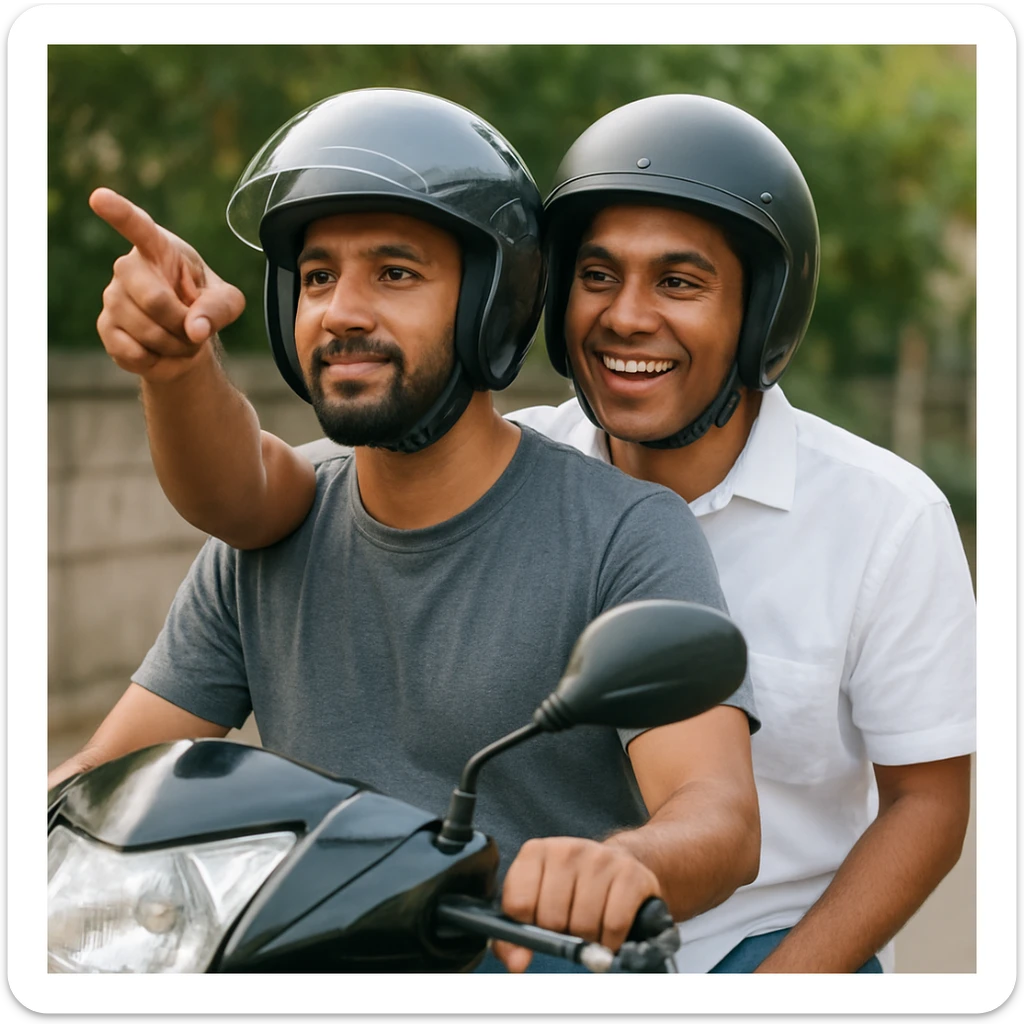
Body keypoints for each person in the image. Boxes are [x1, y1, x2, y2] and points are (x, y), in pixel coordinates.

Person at [118, 91, 976, 975]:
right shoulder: (510, 460)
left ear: (761, 312)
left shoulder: (883, 517)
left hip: (770, 934)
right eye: (598, 277)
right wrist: (177, 363)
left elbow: (926, 808)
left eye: (678, 282)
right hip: (546, 937)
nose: (627, 316)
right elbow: (261, 491)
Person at [47, 89, 763, 975]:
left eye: (394, 273)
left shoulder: (622, 531)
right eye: (317, 276)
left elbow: (718, 815)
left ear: (490, 303)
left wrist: (620, 864)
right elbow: (103, 777)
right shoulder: (270, 533)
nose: (342, 310)